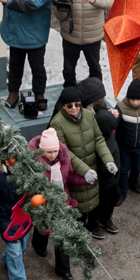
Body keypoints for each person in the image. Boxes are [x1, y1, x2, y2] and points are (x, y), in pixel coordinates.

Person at [50, 85, 118, 236]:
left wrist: (108, 160)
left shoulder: (88, 115)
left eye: (77, 104)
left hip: (92, 165)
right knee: (78, 202)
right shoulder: (57, 123)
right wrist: (84, 170)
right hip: (75, 171)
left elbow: (98, 139)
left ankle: (93, 225)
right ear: (63, 106)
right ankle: (78, 231)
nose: (74, 108)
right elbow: (65, 152)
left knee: (94, 198)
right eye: (69, 106)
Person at [25, 128, 84, 280]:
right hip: (43, 203)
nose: (53, 155)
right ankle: (39, 245)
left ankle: (63, 269)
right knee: (43, 227)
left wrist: (85, 179)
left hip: (61, 203)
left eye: (55, 151)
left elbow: (69, 177)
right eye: (49, 152)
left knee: (61, 236)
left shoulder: (64, 158)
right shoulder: (34, 164)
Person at [52, 0, 115, 84]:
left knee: (95, 69)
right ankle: (70, 94)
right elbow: (60, 17)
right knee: (68, 70)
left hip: (93, 37)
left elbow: (111, 2)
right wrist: (60, 4)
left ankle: (96, 94)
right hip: (70, 36)